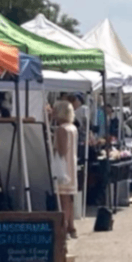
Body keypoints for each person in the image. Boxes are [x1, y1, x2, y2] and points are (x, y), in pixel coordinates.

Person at [52, 101, 79, 239]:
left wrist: (53, 147)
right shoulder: (73, 128)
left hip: (63, 167)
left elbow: (62, 150)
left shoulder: (61, 129)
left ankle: (65, 227)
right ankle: (71, 227)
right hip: (71, 165)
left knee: (63, 199)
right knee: (69, 198)